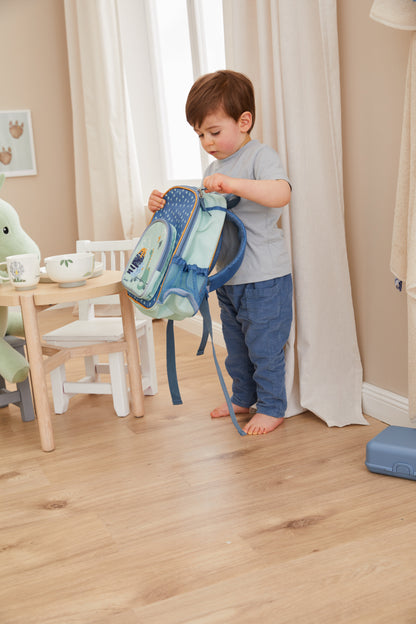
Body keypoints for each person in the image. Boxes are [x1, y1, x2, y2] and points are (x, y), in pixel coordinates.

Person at [148, 70, 292, 435]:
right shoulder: (213, 168)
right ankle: (243, 397)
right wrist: (162, 206)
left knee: (265, 345)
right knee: (236, 345)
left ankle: (273, 406)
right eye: (199, 135)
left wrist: (233, 184)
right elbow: (199, 222)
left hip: (264, 275)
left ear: (244, 122)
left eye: (213, 132)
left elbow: (281, 193)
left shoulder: (260, 156)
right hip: (228, 277)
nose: (206, 142)